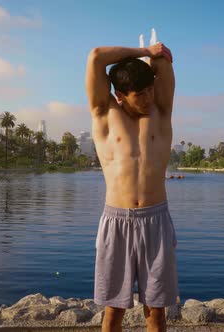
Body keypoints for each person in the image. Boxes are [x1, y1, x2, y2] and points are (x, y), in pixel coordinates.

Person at [85, 41, 178, 332]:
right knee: (113, 312)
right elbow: (97, 57)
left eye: (151, 89)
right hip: (117, 221)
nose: (149, 97)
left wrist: (156, 55)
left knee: (156, 313)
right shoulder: (104, 114)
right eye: (140, 94)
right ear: (120, 95)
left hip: (156, 221)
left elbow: (163, 60)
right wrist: (144, 52)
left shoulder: (160, 114)